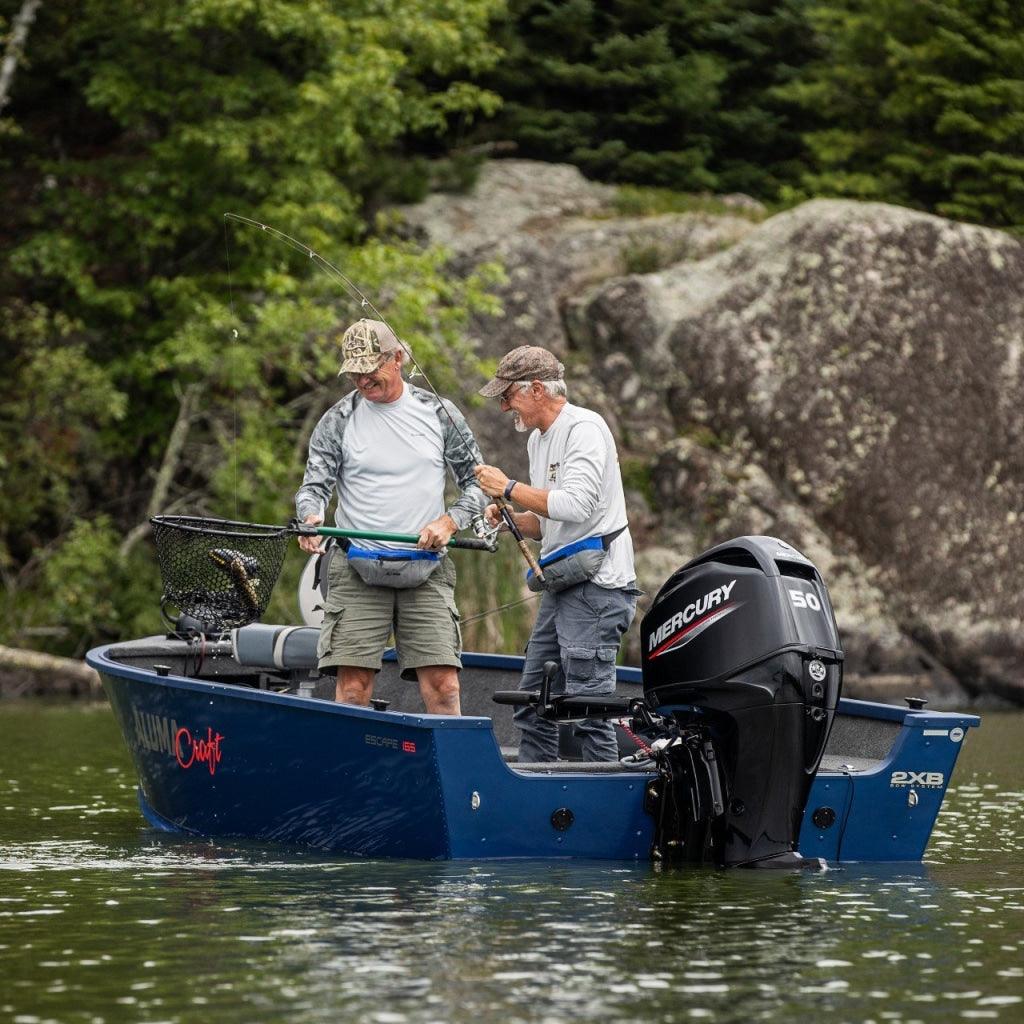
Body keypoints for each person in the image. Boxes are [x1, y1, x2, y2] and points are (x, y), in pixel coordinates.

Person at [295, 318, 484, 715]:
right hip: (356, 567)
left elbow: (479, 485)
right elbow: (314, 486)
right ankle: (350, 772)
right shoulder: (338, 420)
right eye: (354, 373)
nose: (363, 380)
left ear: (398, 358)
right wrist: (309, 516)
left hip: (427, 568)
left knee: (445, 687)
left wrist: (449, 522)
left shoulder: (439, 413)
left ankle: (450, 773)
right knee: (353, 687)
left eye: (370, 369)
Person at [474, 346, 638, 762]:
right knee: (533, 704)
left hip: (598, 590)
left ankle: (602, 810)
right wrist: (511, 515)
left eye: (507, 395)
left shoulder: (585, 427)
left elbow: (577, 506)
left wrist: (508, 487)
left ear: (536, 389)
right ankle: (537, 797)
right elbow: (551, 520)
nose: (503, 405)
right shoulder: (536, 441)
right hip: (563, 586)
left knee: (588, 713)